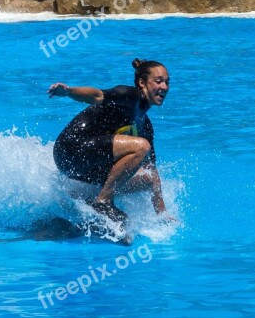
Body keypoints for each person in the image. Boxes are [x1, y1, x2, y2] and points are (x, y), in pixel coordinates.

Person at [48, 58, 170, 224]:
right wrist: (69, 91)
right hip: (70, 150)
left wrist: (162, 214)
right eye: (158, 81)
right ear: (142, 83)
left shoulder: (145, 125)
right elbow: (97, 95)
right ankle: (103, 201)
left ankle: (88, 200)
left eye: (167, 82)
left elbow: (151, 170)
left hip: (87, 165)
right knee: (142, 146)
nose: (164, 87)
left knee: (148, 179)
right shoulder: (128, 95)